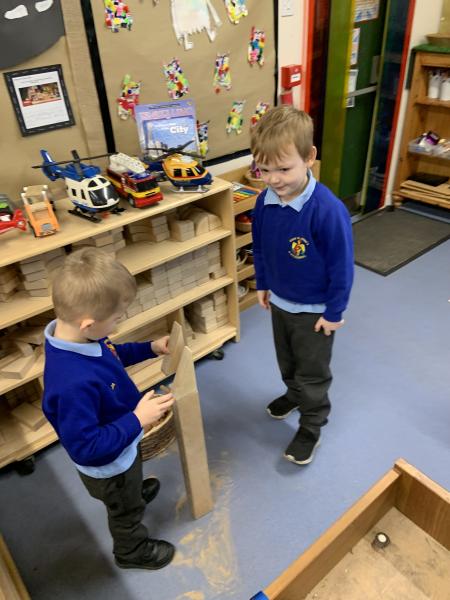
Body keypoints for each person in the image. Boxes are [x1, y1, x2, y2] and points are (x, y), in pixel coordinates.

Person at [42, 247, 176, 570]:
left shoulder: (79, 336)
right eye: (116, 319)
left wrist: (150, 348)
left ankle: (134, 490)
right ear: (88, 324)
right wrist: (137, 420)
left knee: (131, 477)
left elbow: (114, 353)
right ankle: (131, 551)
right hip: (109, 466)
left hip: (121, 440)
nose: (118, 325)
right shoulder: (72, 383)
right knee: (125, 512)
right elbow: (87, 447)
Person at [250, 105, 354, 466]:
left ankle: (311, 425)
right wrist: (263, 283)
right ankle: (293, 394)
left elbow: (342, 267)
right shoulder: (264, 201)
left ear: (309, 157)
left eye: (283, 169)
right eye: (264, 169)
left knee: (312, 373)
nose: (273, 179)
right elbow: (260, 247)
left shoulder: (328, 210)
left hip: (314, 313)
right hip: (280, 302)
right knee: (288, 363)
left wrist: (334, 312)